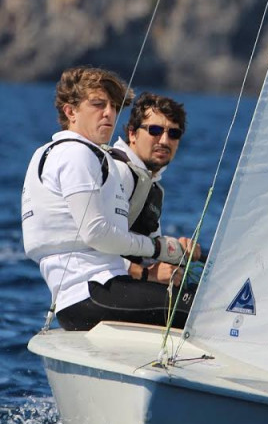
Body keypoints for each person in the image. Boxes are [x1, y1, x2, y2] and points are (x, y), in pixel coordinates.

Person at [21, 66, 193, 331]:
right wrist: (157, 251)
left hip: (90, 293)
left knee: (201, 301)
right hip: (93, 292)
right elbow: (96, 233)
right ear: (71, 111)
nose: (109, 113)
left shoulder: (71, 154)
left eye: (114, 106)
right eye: (98, 104)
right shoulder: (76, 154)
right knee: (208, 310)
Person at [109, 92, 201, 287]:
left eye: (174, 133)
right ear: (132, 134)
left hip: (126, 283)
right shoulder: (119, 172)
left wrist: (178, 251)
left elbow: (149, 251)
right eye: (155, 130)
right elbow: (94, 248)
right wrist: (146, 274)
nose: (165, 141)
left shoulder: (154, 188)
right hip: (100, 285)